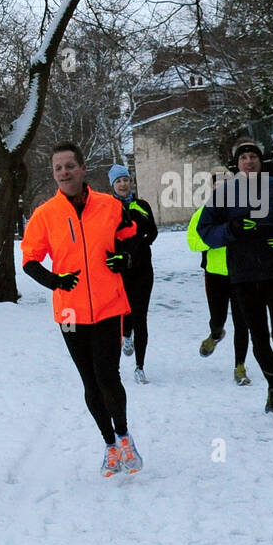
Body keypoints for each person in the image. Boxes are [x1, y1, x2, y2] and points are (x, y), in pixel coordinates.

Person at [22, 143, 143, 477]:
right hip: (71, 314)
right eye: (58, 168)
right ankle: (109, 446)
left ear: (82, 168)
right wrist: (55, 281)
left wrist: (126, 257)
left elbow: (134, 236)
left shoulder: (109, 206)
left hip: (108, 305)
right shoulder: (45, 214)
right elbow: (30, 261)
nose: (64, 172)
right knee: (90, 381)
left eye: (69, 166)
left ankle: (124, 435)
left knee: (108, 376)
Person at [196, 138, 273, 429]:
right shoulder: (225, 193)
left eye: (253, 157)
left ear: (261, 162)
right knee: (259, 336)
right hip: (244, 275)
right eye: (243, 157)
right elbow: (204, 231)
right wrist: (231, 229)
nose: (249, 161)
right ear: (236, 164)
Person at [186, 206, 250, 384]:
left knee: (242, 322)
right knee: (217, 319)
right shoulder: (203, 214)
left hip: (241, 274)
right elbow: (193, 242)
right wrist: (217, 237)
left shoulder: (246, 211)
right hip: (215, 275)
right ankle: (215, 335)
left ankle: (240, 366)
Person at [108, 164, 158, 383]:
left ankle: (140, 366)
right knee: (124, 312)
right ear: (113, 185)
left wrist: (140, 245)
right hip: (120, 270)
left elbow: (152, 231)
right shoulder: (108, 207)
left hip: (143, 268)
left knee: (141, 315)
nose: (123, 184)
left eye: (125, 180)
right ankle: (125, 333)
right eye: (118, 181)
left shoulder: (142, 205)